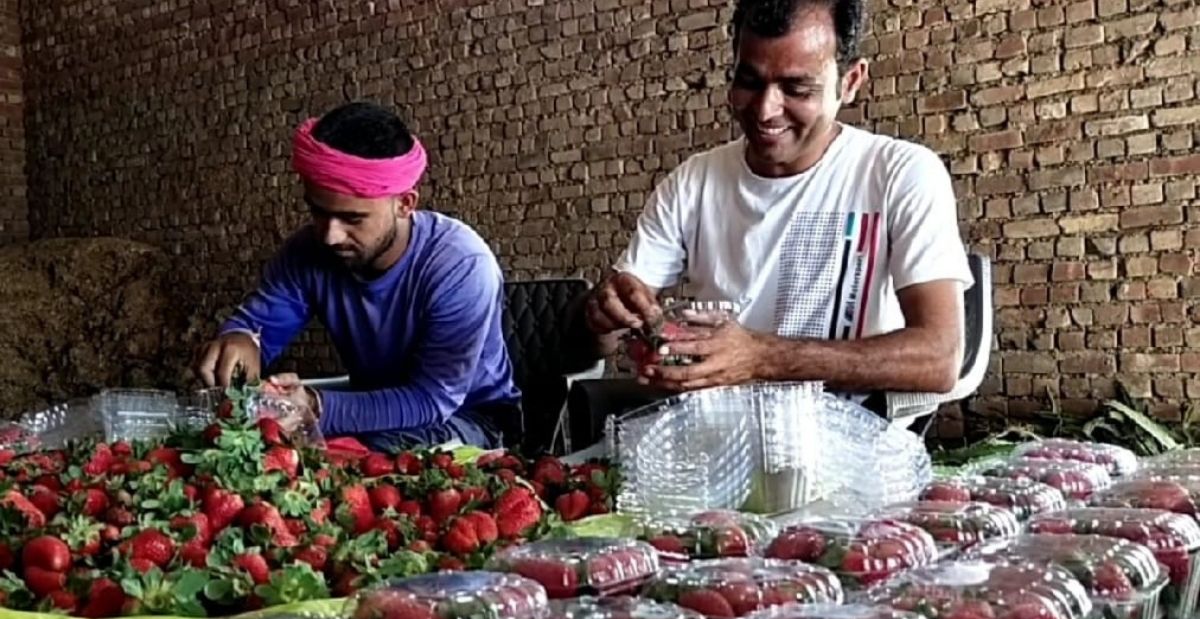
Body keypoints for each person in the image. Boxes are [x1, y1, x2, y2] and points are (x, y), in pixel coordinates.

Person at [584, 0, 973, 427]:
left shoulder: (899, 174)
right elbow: (608, 335)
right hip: (716, 446)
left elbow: (940, 357)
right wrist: (606, 317)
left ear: (850, 81)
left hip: (852, 451)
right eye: (749, 81)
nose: (766, 110)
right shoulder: (692, 182)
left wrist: (762, 358)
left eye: (796, 88)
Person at [195, 101, 521, 451]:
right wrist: (242, 339)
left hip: (471, 419)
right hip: (376, 406)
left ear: (405, 204)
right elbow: (260, 326)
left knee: (347, 459)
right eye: (319, 212)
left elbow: (432, 400)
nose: (330, 235)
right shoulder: (307, 252)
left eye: (352, 218)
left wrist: (317, 407)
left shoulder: (461, 266)